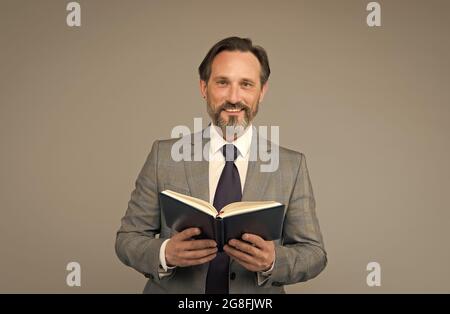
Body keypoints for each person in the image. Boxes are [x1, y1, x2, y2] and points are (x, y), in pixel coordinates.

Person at [115, 37, 327, 294]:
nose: (234, 98)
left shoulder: (291, 167)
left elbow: (314, 253)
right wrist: (164, 253)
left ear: (262, 91)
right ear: (204, 87)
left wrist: (273, 261)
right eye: (222, 83)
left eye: (246, 84)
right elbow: (127, 239)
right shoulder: (164, 156)